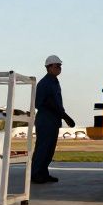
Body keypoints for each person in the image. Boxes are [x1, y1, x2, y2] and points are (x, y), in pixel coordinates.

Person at [31, 54, 75, 184]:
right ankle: (36, 174)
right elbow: (44, 103)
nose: (59, 68)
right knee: (43, 148)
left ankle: (44, 173)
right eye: (57, 66)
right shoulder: (45, 83)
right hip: (46, 120)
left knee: (49, 149)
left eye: (60, 66)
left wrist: (62, 115)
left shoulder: (54, 82)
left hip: (53, 120)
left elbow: (56, 103)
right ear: (49, 67)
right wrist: (65, 116)